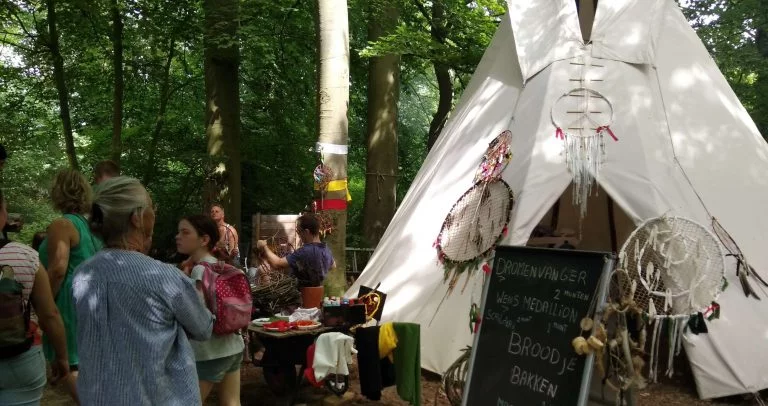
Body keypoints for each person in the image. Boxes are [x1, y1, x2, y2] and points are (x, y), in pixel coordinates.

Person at [73, 177, 214, 405]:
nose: (154, 213)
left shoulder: (81, 275)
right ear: (137, 218)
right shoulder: (165, 277)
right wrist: (198, 290)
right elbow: (203, 328)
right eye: (151, 207)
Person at [0, 188, 70, 406]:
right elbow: (49, 314)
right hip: (19, 361)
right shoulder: (25, 256)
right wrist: (62, 357)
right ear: (2, 214)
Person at [37, 168, 101, 404]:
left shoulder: (61, 225)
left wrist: (45, 302)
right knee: (85, 369)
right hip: (91, 302)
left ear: (58, 192)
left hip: (67, 304)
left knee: (68, 368)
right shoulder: (91, 227)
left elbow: (57, 269)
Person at [176, 214, 243, 405]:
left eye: (185, 232)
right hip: (234, 346)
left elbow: (196, 317)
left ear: (204, 239)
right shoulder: (221, 266)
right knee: (232, 402)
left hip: (210, 352)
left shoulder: (199, 271)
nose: (178, 236)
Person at [257, 213, 335, 288]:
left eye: (299, 231)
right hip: (317, 292)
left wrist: (264, 246)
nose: (299, 235)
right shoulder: (326, 249)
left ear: (307, 232)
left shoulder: (305, 251)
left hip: (301, 294)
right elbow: (333, 266)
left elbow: (278, 264)